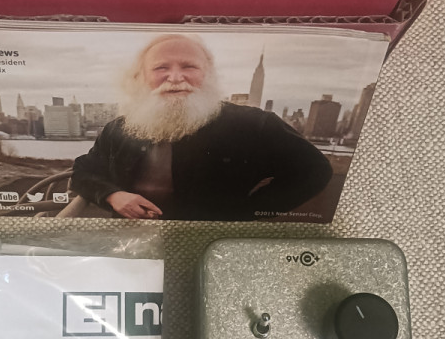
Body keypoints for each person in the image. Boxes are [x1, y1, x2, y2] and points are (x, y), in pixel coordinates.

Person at [68, 34, 333, 220]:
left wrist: (246, 213)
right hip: (132, 240)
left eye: (189, 66)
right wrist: (113, 195)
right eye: (161, 68)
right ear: (142, 77)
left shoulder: (252, 123)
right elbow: (83, 171)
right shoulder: (118, 128)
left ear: (207, 74)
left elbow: (314, 170)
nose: (175, 77)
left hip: (213, 242)